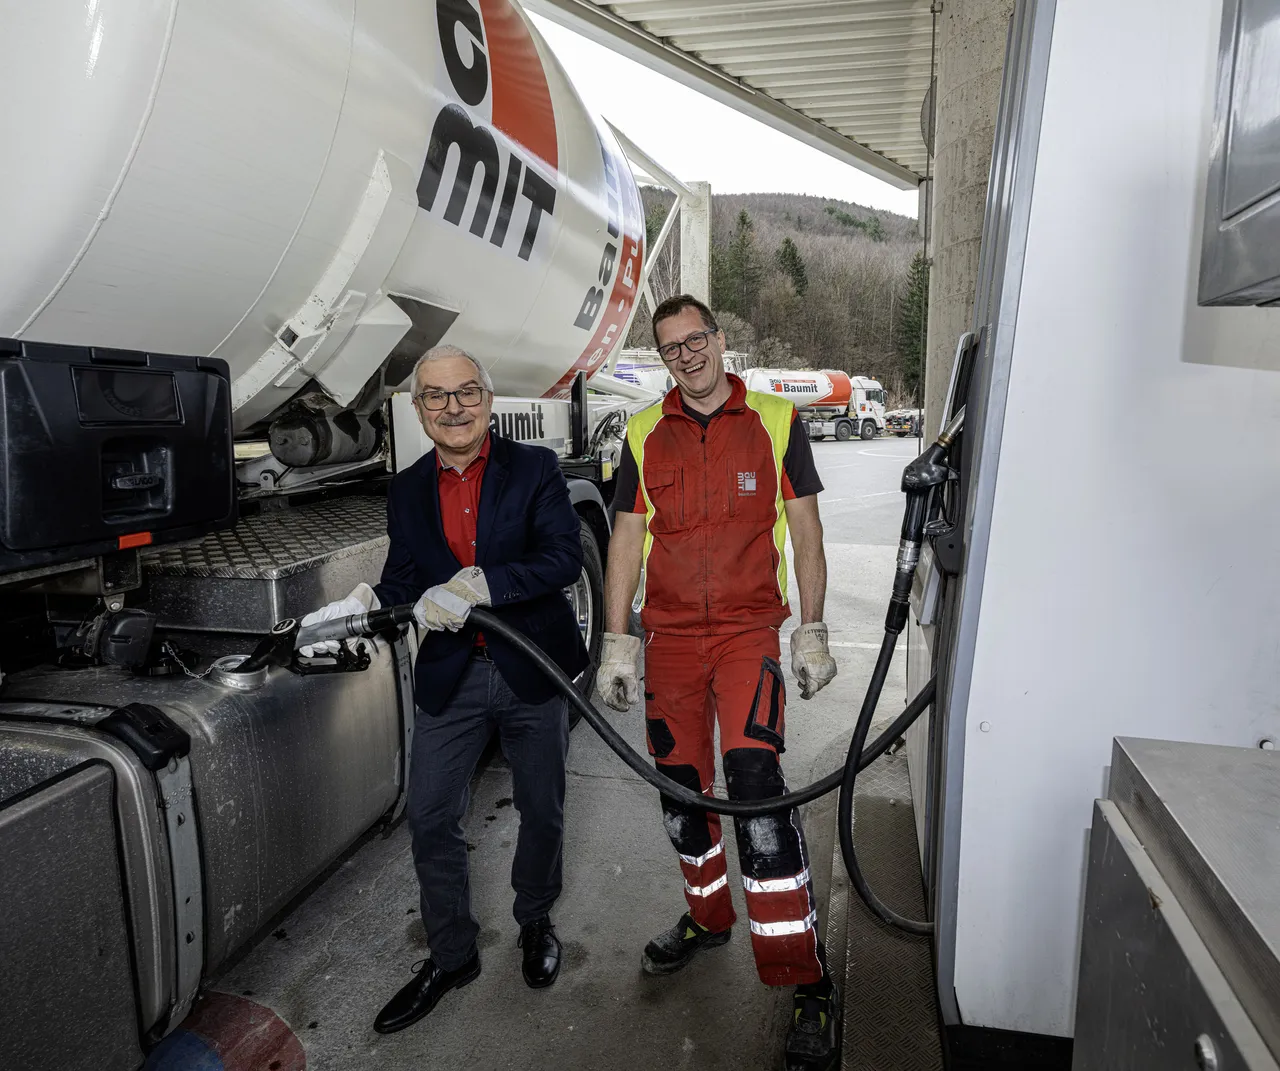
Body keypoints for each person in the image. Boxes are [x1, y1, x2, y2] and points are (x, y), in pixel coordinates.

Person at [299, 345, 587, 1035]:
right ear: (418, 408)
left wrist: (487, 583)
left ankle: (535, 918)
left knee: (541, 808)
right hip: (452, 672)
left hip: (530, 666)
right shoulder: (406, 489)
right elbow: (405, 577)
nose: (453, 407)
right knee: (429, 815)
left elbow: (562, 558)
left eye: (466, 393)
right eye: (436, 395)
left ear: (487, 399)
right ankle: (452, 955)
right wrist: (365, 600)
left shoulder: (535, 468)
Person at [598, 295, 840, 1071]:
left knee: (755, 783)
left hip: (745, 633)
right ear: (663, 358)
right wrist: (616, 642)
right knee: (680, 789)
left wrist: (811, 627)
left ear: (720, 338)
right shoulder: (643, 431)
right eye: (671, 346)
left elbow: (805, 529)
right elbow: (625, 538)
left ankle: (803, 973)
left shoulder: (776, 421)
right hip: (669, 638)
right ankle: (707, 916)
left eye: (696, 338)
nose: (687, 354)